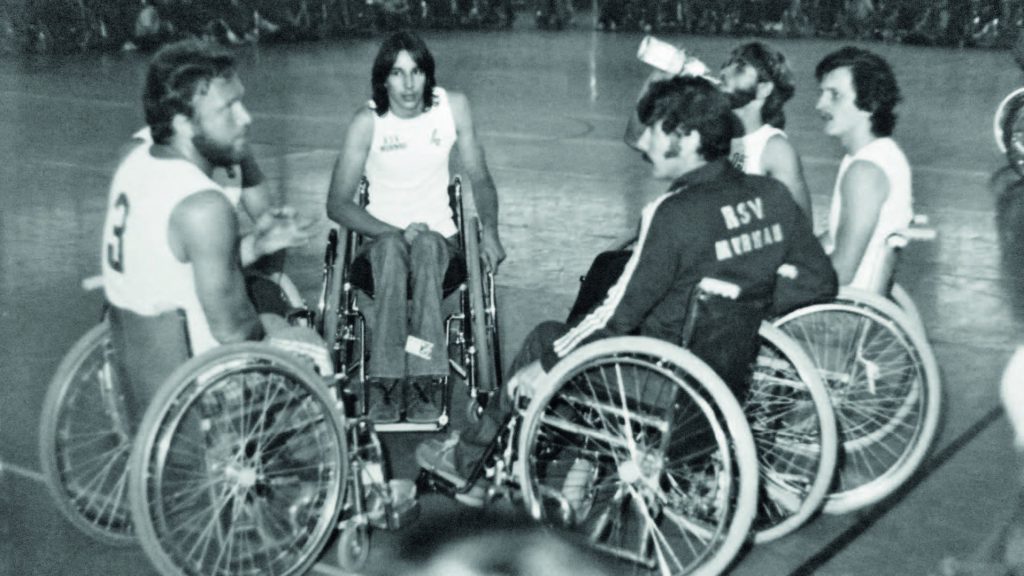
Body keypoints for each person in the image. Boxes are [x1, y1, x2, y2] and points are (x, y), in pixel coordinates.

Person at [416, 75, 838, 498]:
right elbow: (819, 283)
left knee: (547, 338)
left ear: (687, 137)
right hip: (730, 377)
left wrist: (546, 362)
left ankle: (470, 467)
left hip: (662, 381)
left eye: (654, 129)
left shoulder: (674, 214)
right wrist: (746, 304)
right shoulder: (773, 196)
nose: (645, 143)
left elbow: (614, 319)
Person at [100, 39, 318, 416]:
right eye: (228, 108)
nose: (246, 117)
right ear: (184, 123)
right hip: (201, 391)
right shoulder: (204, 205)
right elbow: (236, 332)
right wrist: (275, 330)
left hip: (136, 367)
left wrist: (256, 245)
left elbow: (176, 261)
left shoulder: (133, 161)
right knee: (308, 342)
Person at [326, 31, 506, 424]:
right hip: (381, 242)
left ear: (428, 75)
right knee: (393, 251)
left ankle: (423, 375)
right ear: (383, 79)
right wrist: (391, 231)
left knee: (425, 245)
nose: (408, 85)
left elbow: (480, 177)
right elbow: (337, 204)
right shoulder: (367, 122)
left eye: (417, 72)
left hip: (439, 240)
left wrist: (489, 230)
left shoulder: (453, 108)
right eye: (397, 73)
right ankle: (388, 379)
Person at [814, 46, 911, 290]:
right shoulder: (879, 154)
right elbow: (836, 236)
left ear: (870, 103)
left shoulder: (865, 172)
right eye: (822, 93)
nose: (819, 104)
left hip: (843, 310)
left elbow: (842, 271)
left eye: (834, 95)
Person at [720, 41, 812, 217]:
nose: (723, 73)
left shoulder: (774, 149)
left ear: (764, 89)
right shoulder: (712, 135)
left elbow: (802, 225)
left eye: (739, 69)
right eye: (725, 66)